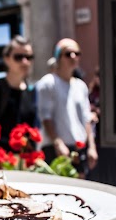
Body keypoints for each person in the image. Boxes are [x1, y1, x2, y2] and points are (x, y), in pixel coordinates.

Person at [36, 38, 98, 178]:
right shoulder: (48, 83)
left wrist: (92, 147)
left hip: (78, 147)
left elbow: (85, 117)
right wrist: (57, 143)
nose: (73, 57)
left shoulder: (80, 86)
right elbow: (46, 117)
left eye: (77, 53)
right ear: (58, 57)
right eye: (68, 53)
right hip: (55, 148)